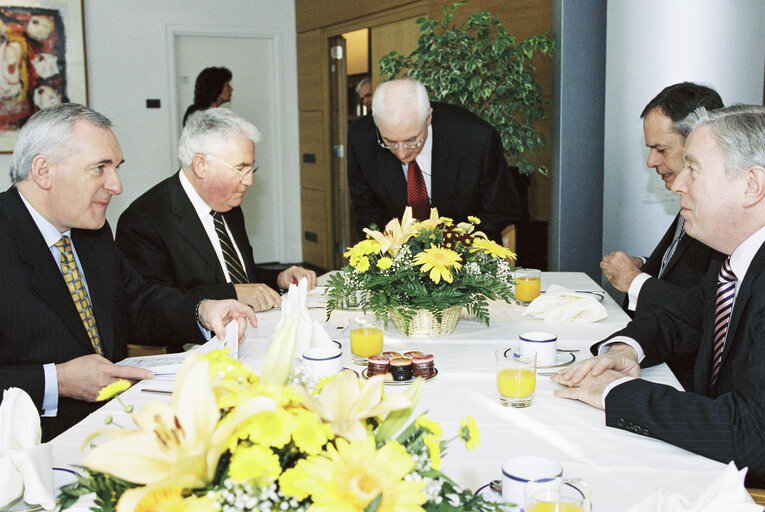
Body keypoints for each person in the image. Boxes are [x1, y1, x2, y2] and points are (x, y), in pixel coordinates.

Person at [0, 103, 257, 441]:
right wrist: (56, 380)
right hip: (29, 448)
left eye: (116, 167)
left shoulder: (91, 232)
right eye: (99, 169)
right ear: (44, 171)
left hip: (112, 426)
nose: (116, 185)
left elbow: (137, 301)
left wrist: (203, 310)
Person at [554, 105, 765, 486]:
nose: (679, 183)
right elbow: (682, 318)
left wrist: (617, 393)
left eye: (694, 169)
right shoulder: (732, 258)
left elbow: (752, 435)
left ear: (751, 185)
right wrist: (625, 351)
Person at [116, 108, 317, 315]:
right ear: (201, 165)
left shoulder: (227, 203)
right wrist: (233, 294)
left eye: (251, 168)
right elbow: (154, 305)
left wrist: (278, 278)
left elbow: (234, 275)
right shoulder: (144, 220)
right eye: (241, 169)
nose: (250, 181)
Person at [601, 83, 725, 389]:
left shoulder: (725, 219)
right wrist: (643, 264)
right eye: (649, 149)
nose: (651, 162)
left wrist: (635, 281)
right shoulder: (692, 200)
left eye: (661, 149)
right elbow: (686, 275)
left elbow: (705, 313)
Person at [347, 78, 521, 244]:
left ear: (428, 117)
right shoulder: (361, 139)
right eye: (390, 141)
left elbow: (502, 210)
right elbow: (367, 213)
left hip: (467, 253)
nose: (401, 152)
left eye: (412, 139)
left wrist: (454, 247)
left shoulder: (476, 139)